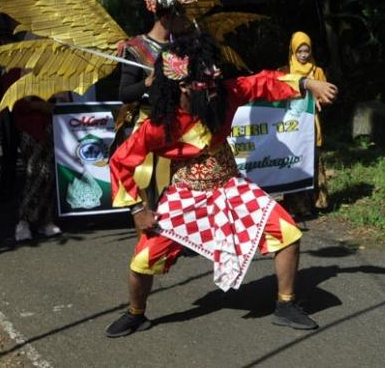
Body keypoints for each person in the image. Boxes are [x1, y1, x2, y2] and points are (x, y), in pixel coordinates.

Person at [105, 33, 338, 338]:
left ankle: (286, 304)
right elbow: (120, 161)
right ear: (183, 86)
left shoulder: (226, 94)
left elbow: (262, 82)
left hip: (231, 187)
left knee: (288, 233)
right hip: (186, 197)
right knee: (142, 261)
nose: (214, 90)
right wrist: (137, 210)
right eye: (206, 85)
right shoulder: (159, 126)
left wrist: (307, 83)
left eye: (215, 83)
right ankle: (135, 313)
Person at [280, 31, 329, 214]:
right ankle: (296, 205)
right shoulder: (285, 71)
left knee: (313, 159)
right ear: (293, 51)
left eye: (306, 51)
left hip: (312, 124)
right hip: (292, 126)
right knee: (295, 160)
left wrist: (319, 98)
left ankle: (317, 202)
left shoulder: (317, 72)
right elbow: (277, 94)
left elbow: (327, 95)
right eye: (299, 51)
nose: (303, 55)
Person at [12, 96, 62, 241]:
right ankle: (23, 221)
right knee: (34, 175)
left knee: (50, 175)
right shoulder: (16, 79)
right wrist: (38, 105)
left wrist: (59, 100)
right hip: (30, 129)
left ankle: (46, 219)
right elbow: (14, 103)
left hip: (51, 126)